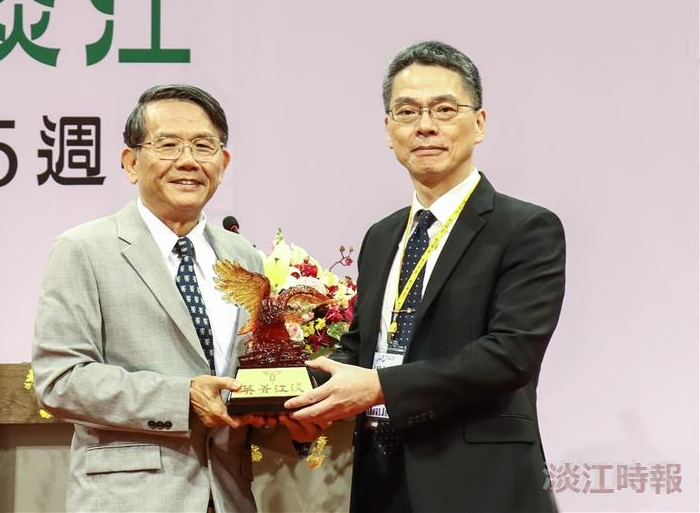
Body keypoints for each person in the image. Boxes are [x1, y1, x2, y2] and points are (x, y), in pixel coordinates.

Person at [286, 41, 566, 512]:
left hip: (480, 485)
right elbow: (364, 347)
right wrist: (289, 394)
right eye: (407, 111)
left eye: (444, 109)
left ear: (479, 124)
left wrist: (381, 387)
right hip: (380, 478)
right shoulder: (382, 236)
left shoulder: (525, 228)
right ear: (388, 129)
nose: (426, 126)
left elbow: (510, 354)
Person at [32, 84, 316, 512]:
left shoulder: (244, 256)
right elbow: (59, 380)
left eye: (204, 146)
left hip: (229, 497)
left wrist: (292, 425)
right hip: (128, 499)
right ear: (130, 162)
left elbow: (242, 390)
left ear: (224, 162)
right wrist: (181, 396)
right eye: (167, 145)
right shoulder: (84, 249)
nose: (188, 160)